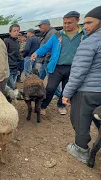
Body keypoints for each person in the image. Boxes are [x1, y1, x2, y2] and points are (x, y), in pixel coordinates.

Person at [62, 6, 101, 164]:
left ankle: (81, 150)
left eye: (89, 22)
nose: (86, 26)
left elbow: (78, 72)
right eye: (84, 23)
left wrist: (66, 93)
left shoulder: (90, 42)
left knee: (80, 120)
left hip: (87, 91)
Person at [31, 11, 87, 116]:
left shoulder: (83, 35)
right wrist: (37, 53)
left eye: (69, 23)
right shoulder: (58, 35)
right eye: (64, 22)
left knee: (66, 89)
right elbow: (46, 47)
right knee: (50, 88)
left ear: (77, 21)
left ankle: (61, 105)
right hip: (57, 67)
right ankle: (43, 106)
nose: (66, 25)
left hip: (73, 68)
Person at [4, 24, 21, 90]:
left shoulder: (17, 42)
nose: (16, 32)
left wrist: (18, 68)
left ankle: (10, 99)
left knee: (11, 87)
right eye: (14, 31)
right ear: (10, 32)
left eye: (18, 31)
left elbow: (17, 55)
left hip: (15, 68)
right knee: (12, 87)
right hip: (8, 68)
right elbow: (4, 54)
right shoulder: (6, 41)